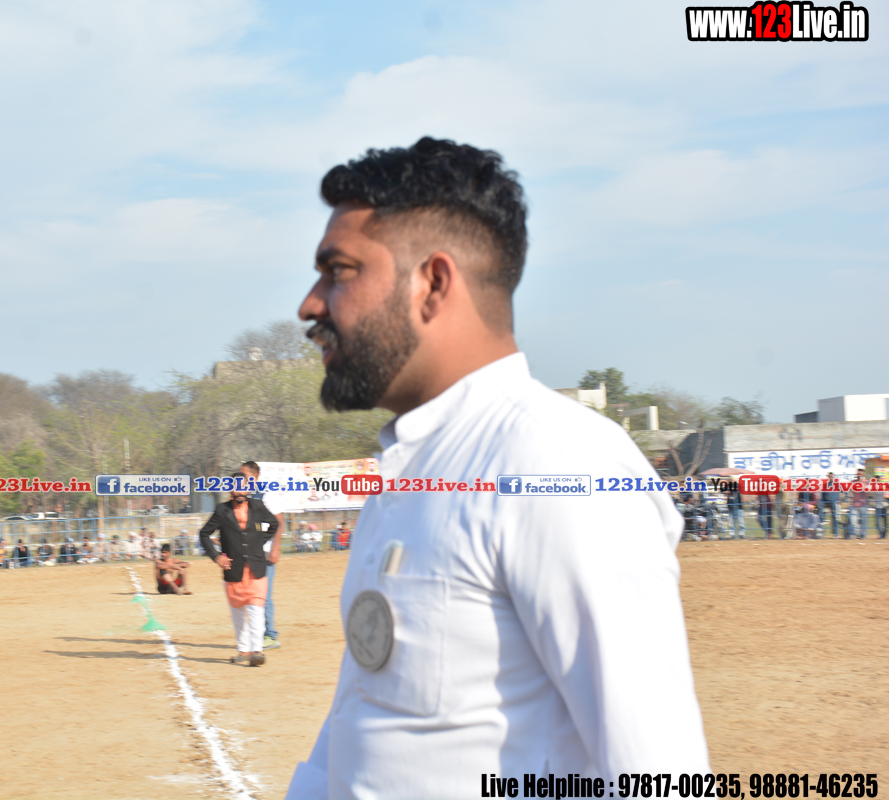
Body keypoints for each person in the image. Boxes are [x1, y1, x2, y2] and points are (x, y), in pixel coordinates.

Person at [284, 139, 709, 798]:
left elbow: (657, 775)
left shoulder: (556, 466)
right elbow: (367, 712)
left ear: (433, 283)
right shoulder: (411, 469)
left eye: (339, 272)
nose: (311, 305)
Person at [199, 473, 278, 667]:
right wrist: (216, 556)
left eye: (244, 487)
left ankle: (257, 651)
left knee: (256, 610)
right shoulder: (222, 510)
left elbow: (274, 524)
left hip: (256, 568)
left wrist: (257, 542)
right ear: (230, 490)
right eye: (237, 487)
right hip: (233, 570)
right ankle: (243, 651)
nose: (241, 491)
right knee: (238, 614)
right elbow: (204, 534)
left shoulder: (257, 506)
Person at [240, 461, 286, 650]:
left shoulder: (268, 494)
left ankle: (271, 635)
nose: (241, 479)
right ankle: (259, 633)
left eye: (244, 476)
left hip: (266, 552)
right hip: (252, 552)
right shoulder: (247, 496)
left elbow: (279, 523)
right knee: (251, 593)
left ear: (255, 476)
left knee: (264, 594)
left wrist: (275, 548)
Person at [821, 472, 841, 538]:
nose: (830, 478)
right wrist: (822, 502)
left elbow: (845, 492)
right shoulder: (825, 485)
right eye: (829, 476)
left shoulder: (837, 485)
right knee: (822, 517)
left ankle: (836, 534)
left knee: (835, 518)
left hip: (834, 503)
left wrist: (841, 500)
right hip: (826, 503)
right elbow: (822, 495)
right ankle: (821, 533)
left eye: (831, 476)